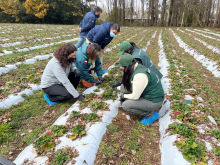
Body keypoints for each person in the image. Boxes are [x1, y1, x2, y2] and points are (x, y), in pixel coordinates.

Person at [116, 54, 164, 125]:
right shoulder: (137, 67)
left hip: (154, 101)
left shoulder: (140, 75)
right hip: (150, 96)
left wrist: (124, 96)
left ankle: (150, 115)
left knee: (126, 105)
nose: (122, 68)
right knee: (127, 94)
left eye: (123, 66)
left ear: (128, 66)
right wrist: (121, 88)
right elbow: (133, 85)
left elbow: (135, 96)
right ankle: (147, 108)